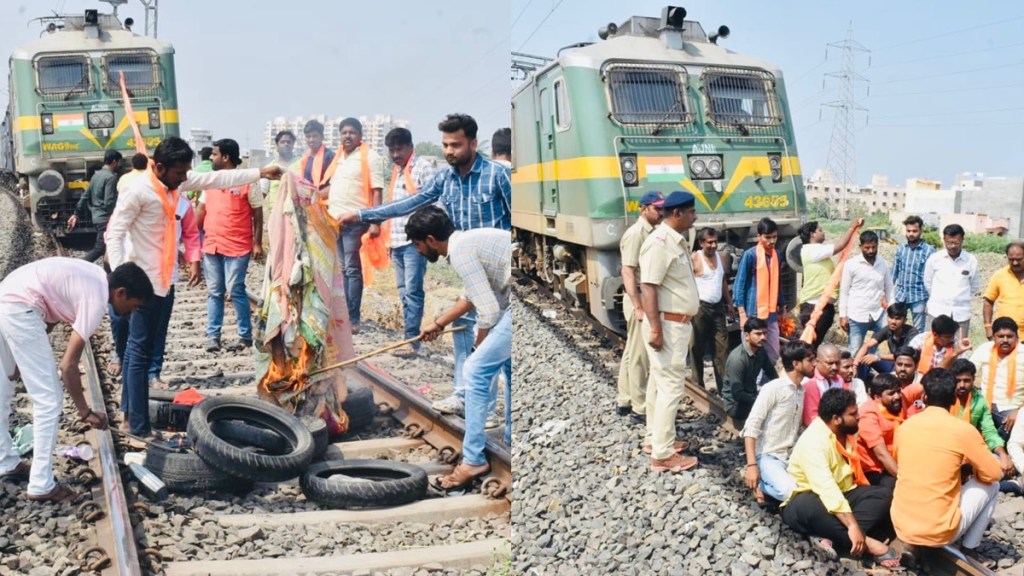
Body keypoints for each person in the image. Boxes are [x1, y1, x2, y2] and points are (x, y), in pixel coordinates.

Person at [106, 136, 281, 438]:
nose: (185, 178)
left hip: (164, 282)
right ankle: (136, 425)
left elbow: (215, 178)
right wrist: (122, 275)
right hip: (141, 284)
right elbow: (115, 232)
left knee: (141, 353)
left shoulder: (175, 183)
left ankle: (128, 416)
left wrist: (260, 173)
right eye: (179, 173)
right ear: (160, 167)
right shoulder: (137, 191)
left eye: (186, 173)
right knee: (137, 354)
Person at [338, 114, 510, 418]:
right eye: (445, 145)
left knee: (503, 350)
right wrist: (365, 215)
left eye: (456, 145)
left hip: (499, 275)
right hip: (468, 270)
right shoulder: (445, 178)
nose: (449, 151)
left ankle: (506, 414)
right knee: (464, 332)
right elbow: (408, 204)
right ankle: (463, 395)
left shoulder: (498, 175)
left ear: (472, 143)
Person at [0, 259, 152, 503]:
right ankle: (41, 484)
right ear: (120, 293)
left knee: (2, 389)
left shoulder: (95, 276)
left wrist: (22, 357)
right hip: (21, 307)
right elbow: (68, 366)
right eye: (132, 306)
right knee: (49, 399)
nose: (130, 313)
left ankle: (6, 462)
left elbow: (50, 316)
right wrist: (85, 412)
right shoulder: (97, 301)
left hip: (7, 295)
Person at [406, 206, 511, 490]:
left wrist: (479, 348)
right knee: (510, 370)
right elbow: (471, 296)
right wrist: (438, 324)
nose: (417, 252)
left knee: (475, 371)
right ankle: (512, 436)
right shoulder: (466, 242)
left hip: (514, 305)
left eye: (417, 245)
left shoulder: (461, 252)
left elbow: (487, 310)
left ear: (430, 239)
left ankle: (473, 458)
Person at [892, 368, 1002, 563]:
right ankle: (969, 548)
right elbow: (994, 474)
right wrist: (972, 470)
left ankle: (915, 544)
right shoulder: (962, 430)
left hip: (901, 525)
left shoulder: (906, 426)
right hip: (939, 532)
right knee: (993, 486)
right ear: (953, 399)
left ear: (924, 397)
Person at [781, 388, 901, 569]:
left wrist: (853, 524)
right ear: (837, 419)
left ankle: (833, 536)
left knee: (883, 494)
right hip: (811, 501)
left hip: (843, 494)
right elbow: (826, 488)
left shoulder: (844, 433)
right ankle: (868, 543)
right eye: (853, 414)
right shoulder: (814, 443)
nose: (858, 416)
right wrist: (852, 526)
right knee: (806, 504)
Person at [638, 191, 700, 473]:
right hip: (668, 324)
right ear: (677, 214)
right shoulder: (660, 243)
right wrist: (655, 328)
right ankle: (662, 455)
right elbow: (648, 286)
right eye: (691, 212)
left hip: (674, 323)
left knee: (659, 385)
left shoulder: (675, 241)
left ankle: (656, 440)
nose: (695, 216)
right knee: (671, 387)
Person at [196, 138, 265, 352]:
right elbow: (201, 209)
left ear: (225, 157)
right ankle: (213, 336)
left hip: (238, 245)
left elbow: (258, 213)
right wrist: (191, 238)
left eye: (214, 154)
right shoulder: (210, 180)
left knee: (236, 290)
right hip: (212, 244)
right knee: (215, 291)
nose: (210, 157)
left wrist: (257, 243)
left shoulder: (247, 181)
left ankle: (244, 336)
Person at [322, 118, 386, 333]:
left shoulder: (371, 158)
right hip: (335, 221)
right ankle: (343, 316)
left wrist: (375, 222)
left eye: (352, 132)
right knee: (340, 270)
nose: (347, 136)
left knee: (351, 269)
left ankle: (353, 319)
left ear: (360, 135)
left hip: (355, 222)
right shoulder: (339, 157)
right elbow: (331, 188)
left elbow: (377, 191)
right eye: (344, 132)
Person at [383, 128, 439, 359]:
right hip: (396, 239)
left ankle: (413, 341)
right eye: (392, 150)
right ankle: (409, 337)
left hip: (414, 242)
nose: (395, 154)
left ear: (409, 146)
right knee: (403, 290)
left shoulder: (423, 167)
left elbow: (434, 201)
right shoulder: (397, 170)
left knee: (413, 290)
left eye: (399, 149)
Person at [742, 340, 816, 504]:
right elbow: (751, 427)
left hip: (792, 455)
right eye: (810, 360)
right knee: (789, 492)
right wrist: (752, 465)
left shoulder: (801, 390)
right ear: (796, 364)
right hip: (769, 455)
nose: (814, 364)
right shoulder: (773, 388)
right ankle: (761, 483)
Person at [616, 191, 663, 420]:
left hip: (642, 299)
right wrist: (637, 305)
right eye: (657, 208)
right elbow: (628, 271)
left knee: (631, 352)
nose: (661, 212)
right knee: (639, 355)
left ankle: (624, 399)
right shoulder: (636, 234)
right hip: (640, 300)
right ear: (644, 208)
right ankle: (640, 406)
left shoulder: (652, 231)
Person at [796, 219, 861, 349]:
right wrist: (851, 228)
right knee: (810, 345)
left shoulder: (814, 251)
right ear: (812, 234)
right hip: (815, 306)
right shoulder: (812, 250)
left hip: (821, 305)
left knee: (813, 343)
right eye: (820, 230)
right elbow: (840, 246)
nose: (823, 232)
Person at [949, 359, 1016, 478]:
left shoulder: (980, 401)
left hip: (970, 450)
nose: (962, 385)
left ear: (973, 380)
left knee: (1001, 466)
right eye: (958, 381)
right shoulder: (945, 396)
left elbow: (989, 432)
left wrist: (1003, 455)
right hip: (946, 449)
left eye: (967, 381)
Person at [733, 217, 787, 363]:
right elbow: (740, 285)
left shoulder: (776, 255)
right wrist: (742, 314)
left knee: (773, 353)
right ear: (758, 237)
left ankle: (766, 384)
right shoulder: (750, 255)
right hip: (753, 312)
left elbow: (777, 282)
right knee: (751, 353)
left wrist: (782, 305)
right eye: (767, 237)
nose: (772, 241)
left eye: (774, 237)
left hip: (771, 314)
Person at [968, 316, 1024, 440]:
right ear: (993, 337)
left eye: (1010, 336)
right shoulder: (984, 349)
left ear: (1017, 337)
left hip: (1013, 407)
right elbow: (967, 372)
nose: (1005, 340)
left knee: (1018, 429)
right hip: (984, 403)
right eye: (1000, 336)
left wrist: (1020, 412)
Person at [691, 227, 732, 391]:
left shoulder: (721, 257)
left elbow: (722, 282)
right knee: (697, 347)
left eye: (716, 241)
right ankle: (698, 385)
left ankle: (723, 388)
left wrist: (729, 303)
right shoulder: (695, 258)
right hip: (700, 308)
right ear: (701, 243)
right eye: (709, 242)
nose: (713, 245)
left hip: (718, 308)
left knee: (722, 347)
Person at [838, 230, 893, 356]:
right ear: (860, 246)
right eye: (867, 248)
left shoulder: (882, 263)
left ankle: (871, 370)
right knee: (855, 350)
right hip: (857, 313)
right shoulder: (851, 265)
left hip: (878, 313)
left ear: (877, 245)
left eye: (874, 247)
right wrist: (842, 315)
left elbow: (889, 287)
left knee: (876, 347)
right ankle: (855, 374)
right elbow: (844, 291)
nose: (870, 251)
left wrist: (891, 308)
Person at [67, 150, 122, 263]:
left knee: (110, 249)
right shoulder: (111, 177)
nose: (118, 165)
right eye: (118, 162)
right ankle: (80, 265)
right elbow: (108, 203)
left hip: (96, 217)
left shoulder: (96, 175)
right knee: (100, 248)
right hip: (105, 219)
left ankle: (109, 274)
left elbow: (85, 196)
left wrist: (76, 213)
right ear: (114, 162)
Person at [924, 224, 979, 336]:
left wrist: (960, 298)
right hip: (937, 311)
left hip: (961, 314)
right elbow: (928, 282)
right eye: (949, 243)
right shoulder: (935, 259)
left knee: (959, 348)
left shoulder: (971, 261)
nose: (952, 246)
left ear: (962, 240)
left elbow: (973, 286)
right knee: (932, 346)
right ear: (944, 240)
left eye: (956, 243)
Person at [722, 318, 778, 421]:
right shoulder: (737, 359)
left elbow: (771, 373)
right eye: (758, 334)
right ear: (747, 336)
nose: (763, 337)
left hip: (750, 394)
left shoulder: (760, 350)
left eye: (765, 333)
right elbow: (737, 394)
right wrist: (760, 400)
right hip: (735, 405)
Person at [855, 373, 903, 489]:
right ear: (877, 397)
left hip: (893, 464)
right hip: (873, 471)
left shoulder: (895, 405)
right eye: (891, 393)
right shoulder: (868, 415)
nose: (897, 396)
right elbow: (881, 454)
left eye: (898, 391)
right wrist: (903, 479)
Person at [891, 215, 935, 333]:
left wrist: (930, 300)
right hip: (900, 295)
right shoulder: (901, 249)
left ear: (921, 231)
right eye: (908, 231)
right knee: (896, 326)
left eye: (914, 231)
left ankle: (915, 351)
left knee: (918, 330)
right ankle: (899, 350)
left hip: (919, 296)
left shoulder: (929, 251)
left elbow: (932, 278)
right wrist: (889, 294)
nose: (911, 234)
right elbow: (893, 273)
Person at [854, 302, 918, 380]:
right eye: (891, 317)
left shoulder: (912, 333)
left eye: (897, 319)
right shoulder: (888, 329)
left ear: (904, 320)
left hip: (904, 367)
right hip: (892, 365)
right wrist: (855, 365)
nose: (893, 322)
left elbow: (904, 356)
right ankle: (861, 385)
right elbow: (867, 345)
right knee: (863, 358)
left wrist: (878, 357)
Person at [983, 241, 1024, 341]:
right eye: (1011, 259)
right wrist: (988, 327)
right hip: (1006, 336)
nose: (1015, 263)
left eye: (1019, 259)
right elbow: (988, 302)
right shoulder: (999, 275)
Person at [801, 343, 845, 426]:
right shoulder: (810, 382)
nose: (835, 367)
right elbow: (810, 420)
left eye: (837, 363)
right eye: (830, 363)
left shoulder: (839, 380)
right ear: (817, 361)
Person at [260, 130, 298, 216]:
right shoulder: (269, 168)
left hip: (298, 214)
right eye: (282, 142)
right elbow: (262, 194)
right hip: (276, 215)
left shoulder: (302, 163)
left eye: (289, 142)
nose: (286, 144)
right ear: (277, 146)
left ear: (293, 145)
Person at [299, 120, 335, 188]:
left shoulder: (330, 156)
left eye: (315, 136)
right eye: (308, 136)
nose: (311, 140)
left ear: (322, 137)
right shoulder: (305, 158)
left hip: (323, 196)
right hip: (307, 195)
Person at [892, 346, 926, 416]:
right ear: (894, 363)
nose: (902, 369)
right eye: (899, 364)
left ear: (916, 366)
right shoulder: (888, 380)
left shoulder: (923, 383)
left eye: (908, 365)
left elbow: (923, 404)